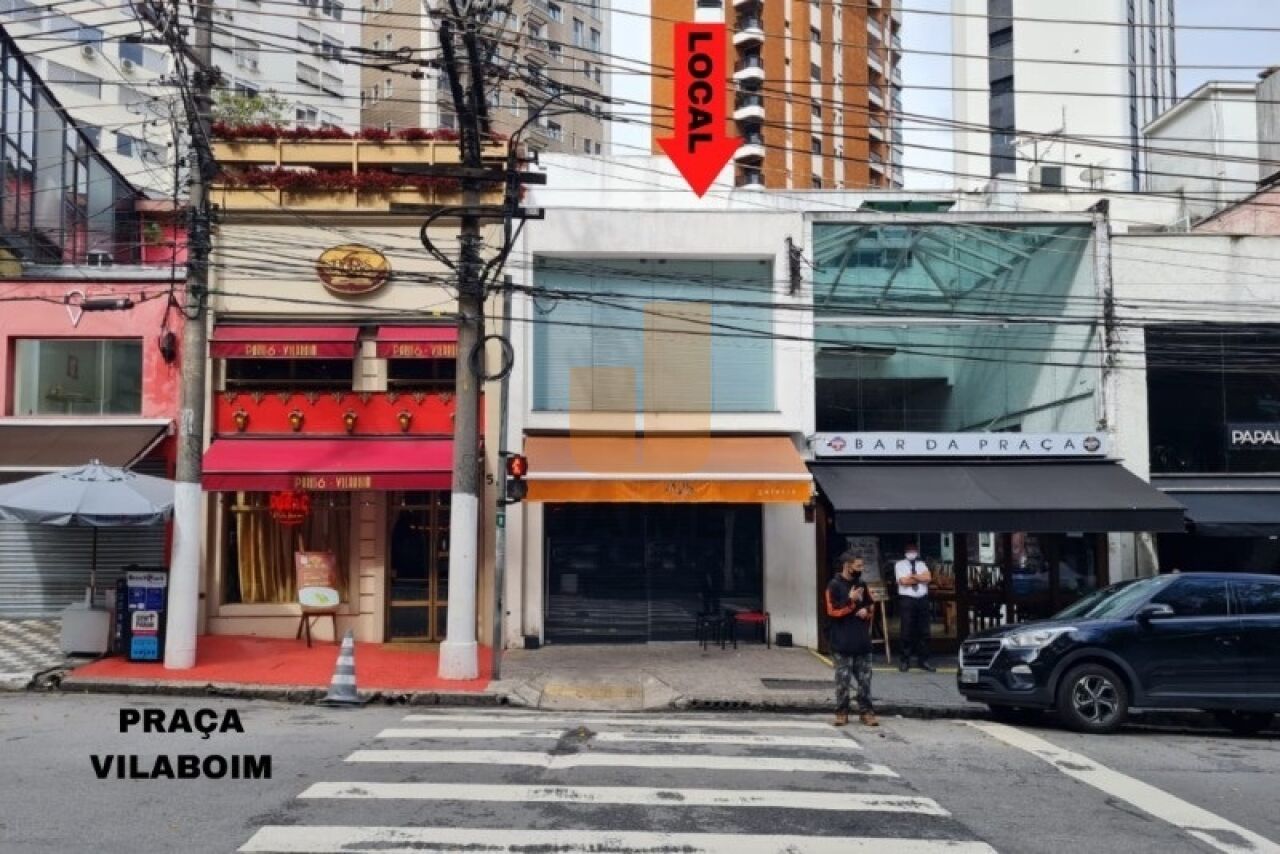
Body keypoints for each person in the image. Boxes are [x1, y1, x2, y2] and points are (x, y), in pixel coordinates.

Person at [824, 552, 879, 727]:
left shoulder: (862, 584)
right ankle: (842, 712)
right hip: (842, 641)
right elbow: (832, 611)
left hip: (862, 640)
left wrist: (867, 612)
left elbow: (871, 606)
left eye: (862, 566)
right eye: (858, 566)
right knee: (843, 681)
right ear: (847, 566)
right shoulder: (833, 586)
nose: (861, 570)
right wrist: (852, 601)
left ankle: (867, 712)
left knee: (865, 680)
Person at [894, 543, 936, 672]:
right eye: (909, 550)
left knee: (924, 631)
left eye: (913, 550)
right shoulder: (899, 564)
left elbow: (928, 578)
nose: (911, 552)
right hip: (907, 600)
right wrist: (920, 578)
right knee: (906, 631)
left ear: (917, 552)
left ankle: (924, 660)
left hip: (922, 599)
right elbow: (903, 582)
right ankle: (904, 660)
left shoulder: (921, 564)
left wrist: (912, 576)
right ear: (905, 551)